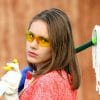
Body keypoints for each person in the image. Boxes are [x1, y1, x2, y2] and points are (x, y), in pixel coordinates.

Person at [19, 8, 81, 100]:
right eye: (30, 36)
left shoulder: (47, 82)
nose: (33, 45)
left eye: (43, 40)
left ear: (58, 46)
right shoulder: (62, 77)